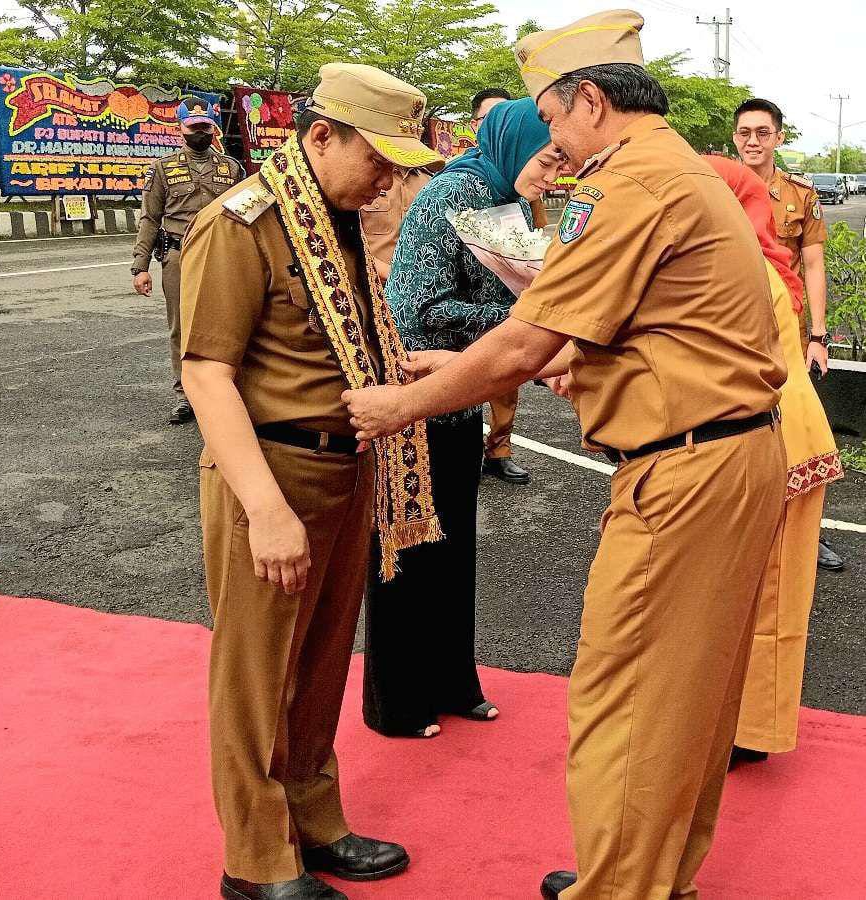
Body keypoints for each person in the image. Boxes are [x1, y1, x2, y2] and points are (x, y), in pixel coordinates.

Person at [343, 10, 789, 898]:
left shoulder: (622, 186)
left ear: (588, 101)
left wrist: (399, 404)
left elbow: (523, 343)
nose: (550, 143)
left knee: (624, 693)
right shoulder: (678, 172)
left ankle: (621, 888)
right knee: (686, 695)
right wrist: (478, 364)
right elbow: (631, 334)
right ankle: (650, 874)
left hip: (686, 471)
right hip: (729, 455)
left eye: (549, 119)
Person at [179, 63, 444, 900]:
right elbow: (207, 373)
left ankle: (313, 817)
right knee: (257, 675)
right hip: (273, 471)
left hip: (345, 467)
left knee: (323, 660)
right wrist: (263, 510)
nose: (389, 180)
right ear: (320, 136)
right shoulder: (242, 223)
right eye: (380, 158)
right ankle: (255, 860)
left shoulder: (340, 222)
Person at [362, 97, 563, 740]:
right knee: (407, 548)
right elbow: (424, 309)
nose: (553, 172)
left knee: (454, 546)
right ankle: (400, 701)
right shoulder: (457, 195)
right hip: (418, 393)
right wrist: (522, 333)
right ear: (512, 145)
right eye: (548, 156)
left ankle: (453, 683)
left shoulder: (502, 199)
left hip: (460, 395)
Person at [703, 157, 844, 768]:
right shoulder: (753, 262)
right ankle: (748, 725)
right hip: (784, 443)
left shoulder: (736, 268)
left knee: (762, 595)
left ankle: (746, 728)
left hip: (774, 448)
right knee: (766, 594)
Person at [732, 97, 844, 572]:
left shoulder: (800, 195)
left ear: (779, 136)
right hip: (732, 331)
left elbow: (813, 263)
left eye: (762, 132)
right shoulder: (716, 189)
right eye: (743, 133)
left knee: (798, 431)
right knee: (738, 432)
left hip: (788, 332)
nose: (752, 141)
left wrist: (818, 334)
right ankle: (744, 531)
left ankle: (805, 532)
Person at [131, 95, 244, 424]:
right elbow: (150, 219)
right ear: (180, 128)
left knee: (229, 323)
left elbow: (244, 214)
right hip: (179, 256)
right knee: (182, 327)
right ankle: (186, 395)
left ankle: (227, 388)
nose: (200, 132)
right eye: (194, 127)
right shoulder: (163, 169)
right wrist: (140, 267)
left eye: (206, 127)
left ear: (213, 129)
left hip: (221, 256)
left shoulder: (231, 167)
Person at [471, 87, 535, 485]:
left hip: (501, 300)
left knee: (504, 379)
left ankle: (499, 447)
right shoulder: (452, 181)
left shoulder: (520, 187)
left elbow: (533, 233)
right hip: (451, 302)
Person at [360, 163, 439, 281]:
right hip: (372, 285)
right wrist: (396, 276)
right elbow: (348, 245)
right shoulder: (367, 177)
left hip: (418, 288)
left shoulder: (429, 180)